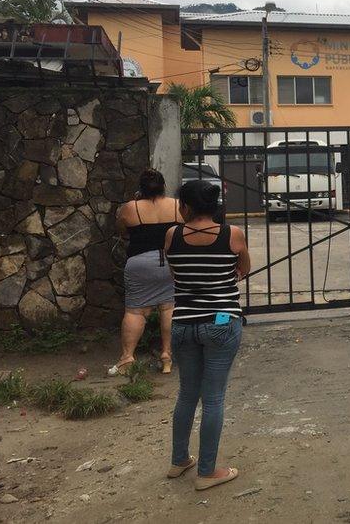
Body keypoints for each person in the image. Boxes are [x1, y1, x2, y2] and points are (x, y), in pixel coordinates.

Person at [164, 180, 251, 491]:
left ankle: (178, 460)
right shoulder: (233, 235)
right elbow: (244, 269)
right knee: (213, 397)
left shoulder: (172, 235)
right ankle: (207, 471)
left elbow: (175, 274)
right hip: (221, 322)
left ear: (186, 207)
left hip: (184, 323)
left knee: (187, 393)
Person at [110, 169, 182, 376]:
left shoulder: (130, 207)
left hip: (139, 262)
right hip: (170, 262)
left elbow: (121, 229)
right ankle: (167, 355)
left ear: (141, 187)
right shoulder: (177, 205)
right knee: (168, 308)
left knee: (136, 311)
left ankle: (127, 358)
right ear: (163, 186)